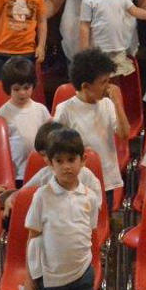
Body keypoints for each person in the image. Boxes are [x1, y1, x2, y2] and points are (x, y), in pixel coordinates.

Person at [22, 126, 101, 290]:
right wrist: (30, 277)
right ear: (50, 164)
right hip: (51, 279)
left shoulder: (90, 197)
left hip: (82, 275)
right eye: (59, 161)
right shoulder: (42, 196)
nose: (66, 166)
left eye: (72, 160)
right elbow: (33, 238)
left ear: (83, 160)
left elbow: (90, 233)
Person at [54, 47, 130, 198]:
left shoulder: (107, 104)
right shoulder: (65, 110)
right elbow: (56, 146)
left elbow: (124, 133)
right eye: (103, 82)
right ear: (85, 86)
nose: (108, 86)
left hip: (106, 179)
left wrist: (117, 103)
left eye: (108, 80)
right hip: (78, 181)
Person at [0, 57, 50, 182]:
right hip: (18, 174)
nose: (22, 93)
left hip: (41, 171)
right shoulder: (2, 114)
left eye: (26, 87)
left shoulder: (41, 109)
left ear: (33, 85)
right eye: (16, 89)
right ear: (8, 88)